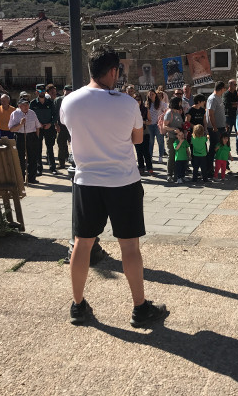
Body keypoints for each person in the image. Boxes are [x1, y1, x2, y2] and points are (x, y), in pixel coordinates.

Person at [60, 45, 167, 327]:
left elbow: (71, 132)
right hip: (123, 181)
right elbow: (137, 140)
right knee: (129, 247)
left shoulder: (69, 102)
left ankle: (78, 305)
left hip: (86, 181)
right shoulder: (127, 103)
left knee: (82, 244)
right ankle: (139, 308)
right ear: (112, 71)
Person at [8, 98, 41, 184]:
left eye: (27, 104)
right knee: (20, 158)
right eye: (23, 105)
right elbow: (11, 129)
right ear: (19, 106)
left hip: (32, 135)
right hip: (20, 136)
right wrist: (20, 124)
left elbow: (37, 126)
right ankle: (21, 178)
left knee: (33, 158)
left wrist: (36, 137)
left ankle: (31, 178)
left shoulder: (32, 113)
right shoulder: (15, 113)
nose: (26, 106)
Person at [30, 83, 57, 175]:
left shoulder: (50, 102)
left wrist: (51, 123)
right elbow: (31, 116)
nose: (41, 92)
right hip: (38, 128)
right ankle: (39, 168)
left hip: (49, 128)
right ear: (36, 92)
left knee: (50, 148)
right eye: (39, 91)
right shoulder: (33, 103)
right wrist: (38, 124)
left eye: (43, 91)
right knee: (38, 148)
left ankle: (52, 167)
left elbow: (55, 115)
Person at [205, 81, 226, 178]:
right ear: (221, 88)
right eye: (224, 88)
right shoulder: (212, 99)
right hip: (215, 128)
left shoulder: (219, 98)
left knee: (219, 148)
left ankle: (216, 169)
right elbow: (211, 113)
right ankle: (208, 170)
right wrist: (214, 127)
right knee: (213, 149)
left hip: (220, 127)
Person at [163, 96, 184, 182]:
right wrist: (174, 129)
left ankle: (177, 174)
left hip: (178, 138)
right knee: (171, 156)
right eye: (179, 102)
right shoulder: (169, 113)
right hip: (171, 138)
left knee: (177, 157)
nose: (180, 104)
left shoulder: (178, 112)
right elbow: (164, 126)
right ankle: (169, 175)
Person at [133, 92, 153, 176]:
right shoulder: (131, 110)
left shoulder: (145, 109)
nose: (137, 101)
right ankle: (141, 167)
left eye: (139, 99)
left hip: (144, 132)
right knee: (138, 151)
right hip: (135, 132)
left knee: (146, 151)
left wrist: (144, 121)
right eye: (135, 99)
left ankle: (149, 168)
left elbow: (150, 121)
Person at [54, 85, 73, 169]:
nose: (68, 92)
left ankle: (74, 162)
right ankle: (62, 163)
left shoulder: (74, 99)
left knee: (74, 144)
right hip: (61, 126)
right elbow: (54, 114)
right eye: (67, 90)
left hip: (72, 126)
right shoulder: (58, 100)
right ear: (63, 90)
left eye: (70, 90)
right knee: (61, 144)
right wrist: (56, 125)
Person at [145, 89, 166, 163]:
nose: (151, 96)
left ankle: (160, 156)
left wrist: (162, 119)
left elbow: (166, 110)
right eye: (150, 94)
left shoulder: (160, 103)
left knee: (160, 141)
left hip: (158, 125)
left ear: (155, 95)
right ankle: (150, 156)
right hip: (150, 125)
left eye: (152, 94)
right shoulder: (147, 104)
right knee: (150, 142)